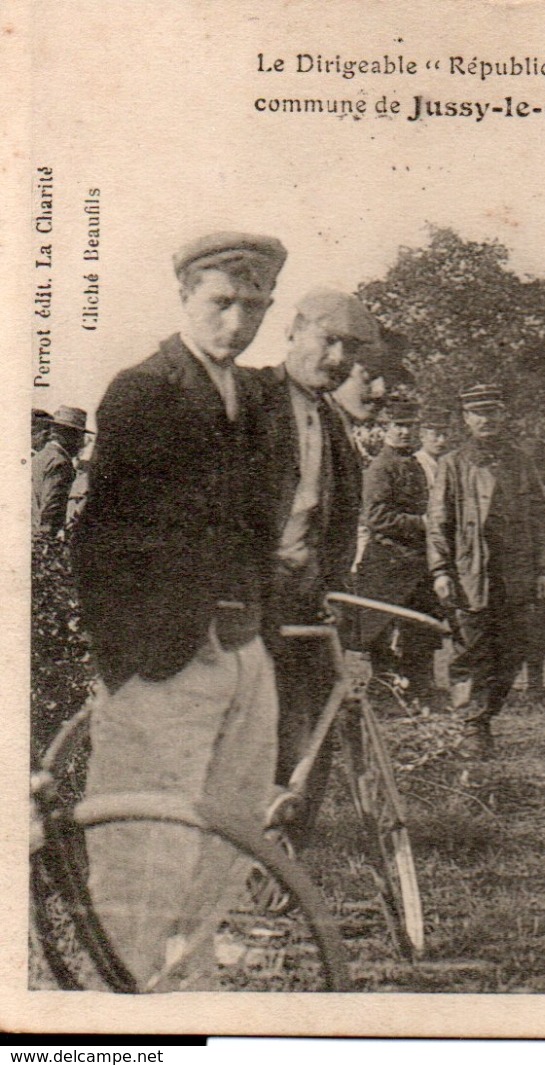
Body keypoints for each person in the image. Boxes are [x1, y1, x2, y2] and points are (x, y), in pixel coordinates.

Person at [71, 231, 286, 988]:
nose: (239, 321)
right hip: (163, 661)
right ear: (186, 299)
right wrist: (129, 666)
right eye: (221, 303)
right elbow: (100, 541)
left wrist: (254, 628)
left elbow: (262, 523)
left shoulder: (262, 399)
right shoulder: (144, 391)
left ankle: (189, 993)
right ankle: (118, 1006)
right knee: (141, 849)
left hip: (244, 650)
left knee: (228, 836)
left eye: (255, 305)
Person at [257, 289, 377, 798]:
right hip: (246, 603)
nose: (337, 360)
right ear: (293, 330)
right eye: (328, 342)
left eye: (349, 350)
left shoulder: (333, 424)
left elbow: (339, 527)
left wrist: (331, 591)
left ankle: (285, 860)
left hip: (306, 604)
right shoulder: (248, 399)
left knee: (308, 748)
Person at [427, 384, 545, 756]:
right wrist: (441, 571)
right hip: (472, 573)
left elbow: (541, 521)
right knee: (472, 649)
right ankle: (472, 725)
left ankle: (483, 716)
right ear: (466, 418)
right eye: (479, 413)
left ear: (503, 416)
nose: (487, 419)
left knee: (512, 649)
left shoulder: (521, 464)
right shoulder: (452, 464)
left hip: (516, 575)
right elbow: (439, 523)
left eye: (493, 412)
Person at [354, 399, 440, 703]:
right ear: (385, 428)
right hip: (388, 561)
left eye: (410, 426)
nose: (404, 432)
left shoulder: (415, 464)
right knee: (381, 630)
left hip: (415, 562)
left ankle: (419, 687)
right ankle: (384, 688)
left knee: (421, 628)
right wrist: (422, 523)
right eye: (398, 426)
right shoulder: (381, 467)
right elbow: (375, 517)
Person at [32, 406, 90, 538]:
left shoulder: (39, 457)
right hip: (43, 542)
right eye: (80, 436)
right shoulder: (61, 462)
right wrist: (48, 540)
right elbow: (51, 508)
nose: (81, 443)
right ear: (70, 435)